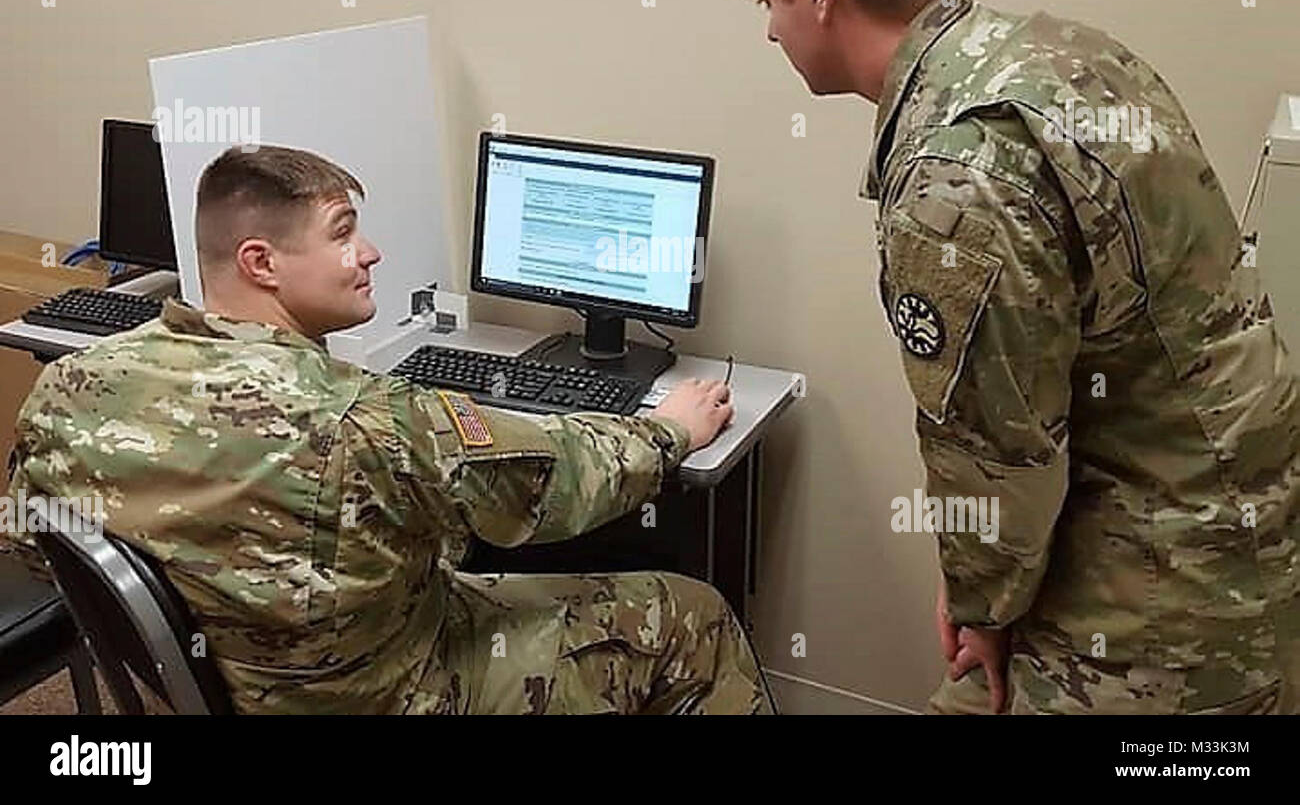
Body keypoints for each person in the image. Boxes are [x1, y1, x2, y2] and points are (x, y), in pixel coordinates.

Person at [736, 0, 1300, 714]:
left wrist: (983, 601)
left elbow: (999, 454)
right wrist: (982, 582)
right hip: (1243, 518)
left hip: (1173, 600)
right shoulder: (1068, 54)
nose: (767, 30)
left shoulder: (955, 179)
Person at [4, 144, 775, 715]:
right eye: (342, 233)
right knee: (691, 614)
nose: (369, 251)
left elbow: (30, 547)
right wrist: (670, 430)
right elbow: (558, 480)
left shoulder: (73, 382)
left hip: (214, 692)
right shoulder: (366, 420)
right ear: (261, 262)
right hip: (391, 695)